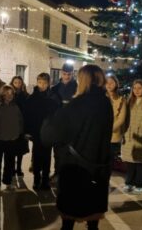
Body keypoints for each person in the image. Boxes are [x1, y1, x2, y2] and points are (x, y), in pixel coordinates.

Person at [41, 65, 113, 230]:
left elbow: (51, 135)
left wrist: (48, 120)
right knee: (93, 217)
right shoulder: (105, 102)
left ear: (84, 80)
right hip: (99, 167)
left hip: (77, 168)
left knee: (69, 217)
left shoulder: (78, 103)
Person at [25, 73, 59, 190]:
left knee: (47, 157)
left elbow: (56, 115)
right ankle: (36, 179)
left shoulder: (53, 97)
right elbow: (27, 116)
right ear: (37, 82)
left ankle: (45, 180)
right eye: (40, 82)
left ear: (49, 83)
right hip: (36, 132)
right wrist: (28, 131)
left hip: (48, 132)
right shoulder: (32, 97)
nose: (42, 85)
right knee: (36, 156)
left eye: (44, 83)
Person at [0, 85, 24, 191]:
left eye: (11, 93)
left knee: (10, 163)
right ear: (2, 94)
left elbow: (20, 121)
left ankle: (8, 182)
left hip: (12, 140)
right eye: (7, 93)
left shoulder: (15, 107)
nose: (9, 96)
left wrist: (18, 133)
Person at [121, 79, 142, 195]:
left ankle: (140, 184)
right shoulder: (129, 101)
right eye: (134, 88)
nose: (137, 90)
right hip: (129, 135)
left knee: (140, 163)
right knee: (130, 162)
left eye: (139, 88)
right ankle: (129, 183)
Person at [50, 63, 77, 179]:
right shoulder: (55, 88)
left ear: (72, 73)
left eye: (69, 74)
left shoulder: (77, 88)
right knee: (57, 151)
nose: (66, 76)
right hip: (58, 124)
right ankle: (57, 172)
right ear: (61, 73)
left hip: (71, 125)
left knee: (70, 152)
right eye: (65, 74)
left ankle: (68, 175)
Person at [10, 76, 30, 176]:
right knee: (13, 148)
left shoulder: (26, 95)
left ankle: (19, 168)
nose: (17, 84)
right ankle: (13, 168)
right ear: (12, 83)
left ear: (22, 84)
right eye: (15, 82)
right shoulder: (10, 95)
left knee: (20, 149)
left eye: (19, 82)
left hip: (23, 125)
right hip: (12, 125)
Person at [105, 74, 127, 165]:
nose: (109, 85)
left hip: (113, 135)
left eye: (111, 82)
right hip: (100, 135)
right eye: (107, 82)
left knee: (108, 162)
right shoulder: (101, 97)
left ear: (116, 84)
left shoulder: (121, 100)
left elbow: (121, 118)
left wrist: (110, 129)